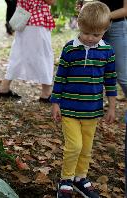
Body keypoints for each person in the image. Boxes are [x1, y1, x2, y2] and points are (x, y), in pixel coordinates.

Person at [51, 2, 117, 198]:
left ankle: (81, 178)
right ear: (79, 25)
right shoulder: (70, 49)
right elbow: (60, 76)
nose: (90, 38)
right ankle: (66, 179)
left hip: (92, 110)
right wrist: (55, 102)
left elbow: (110, 80)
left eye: (96, 35)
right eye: (87, 33)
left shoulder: (107, 51)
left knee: (86, 147)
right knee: (75, 146)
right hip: (69, 109)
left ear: (105, 30)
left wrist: (112, 106)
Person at [0, 0, 55, 102]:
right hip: (37, 21)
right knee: (43, 55)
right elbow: (51, 1)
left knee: (19, 55)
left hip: (23, 19)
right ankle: (46, 92)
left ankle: (4, 88)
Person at [99, 0, 127, 100]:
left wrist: (102, 16)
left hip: (116, 28)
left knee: (122, 76)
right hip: (97, 27)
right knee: (100, 73)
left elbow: (126, 9)